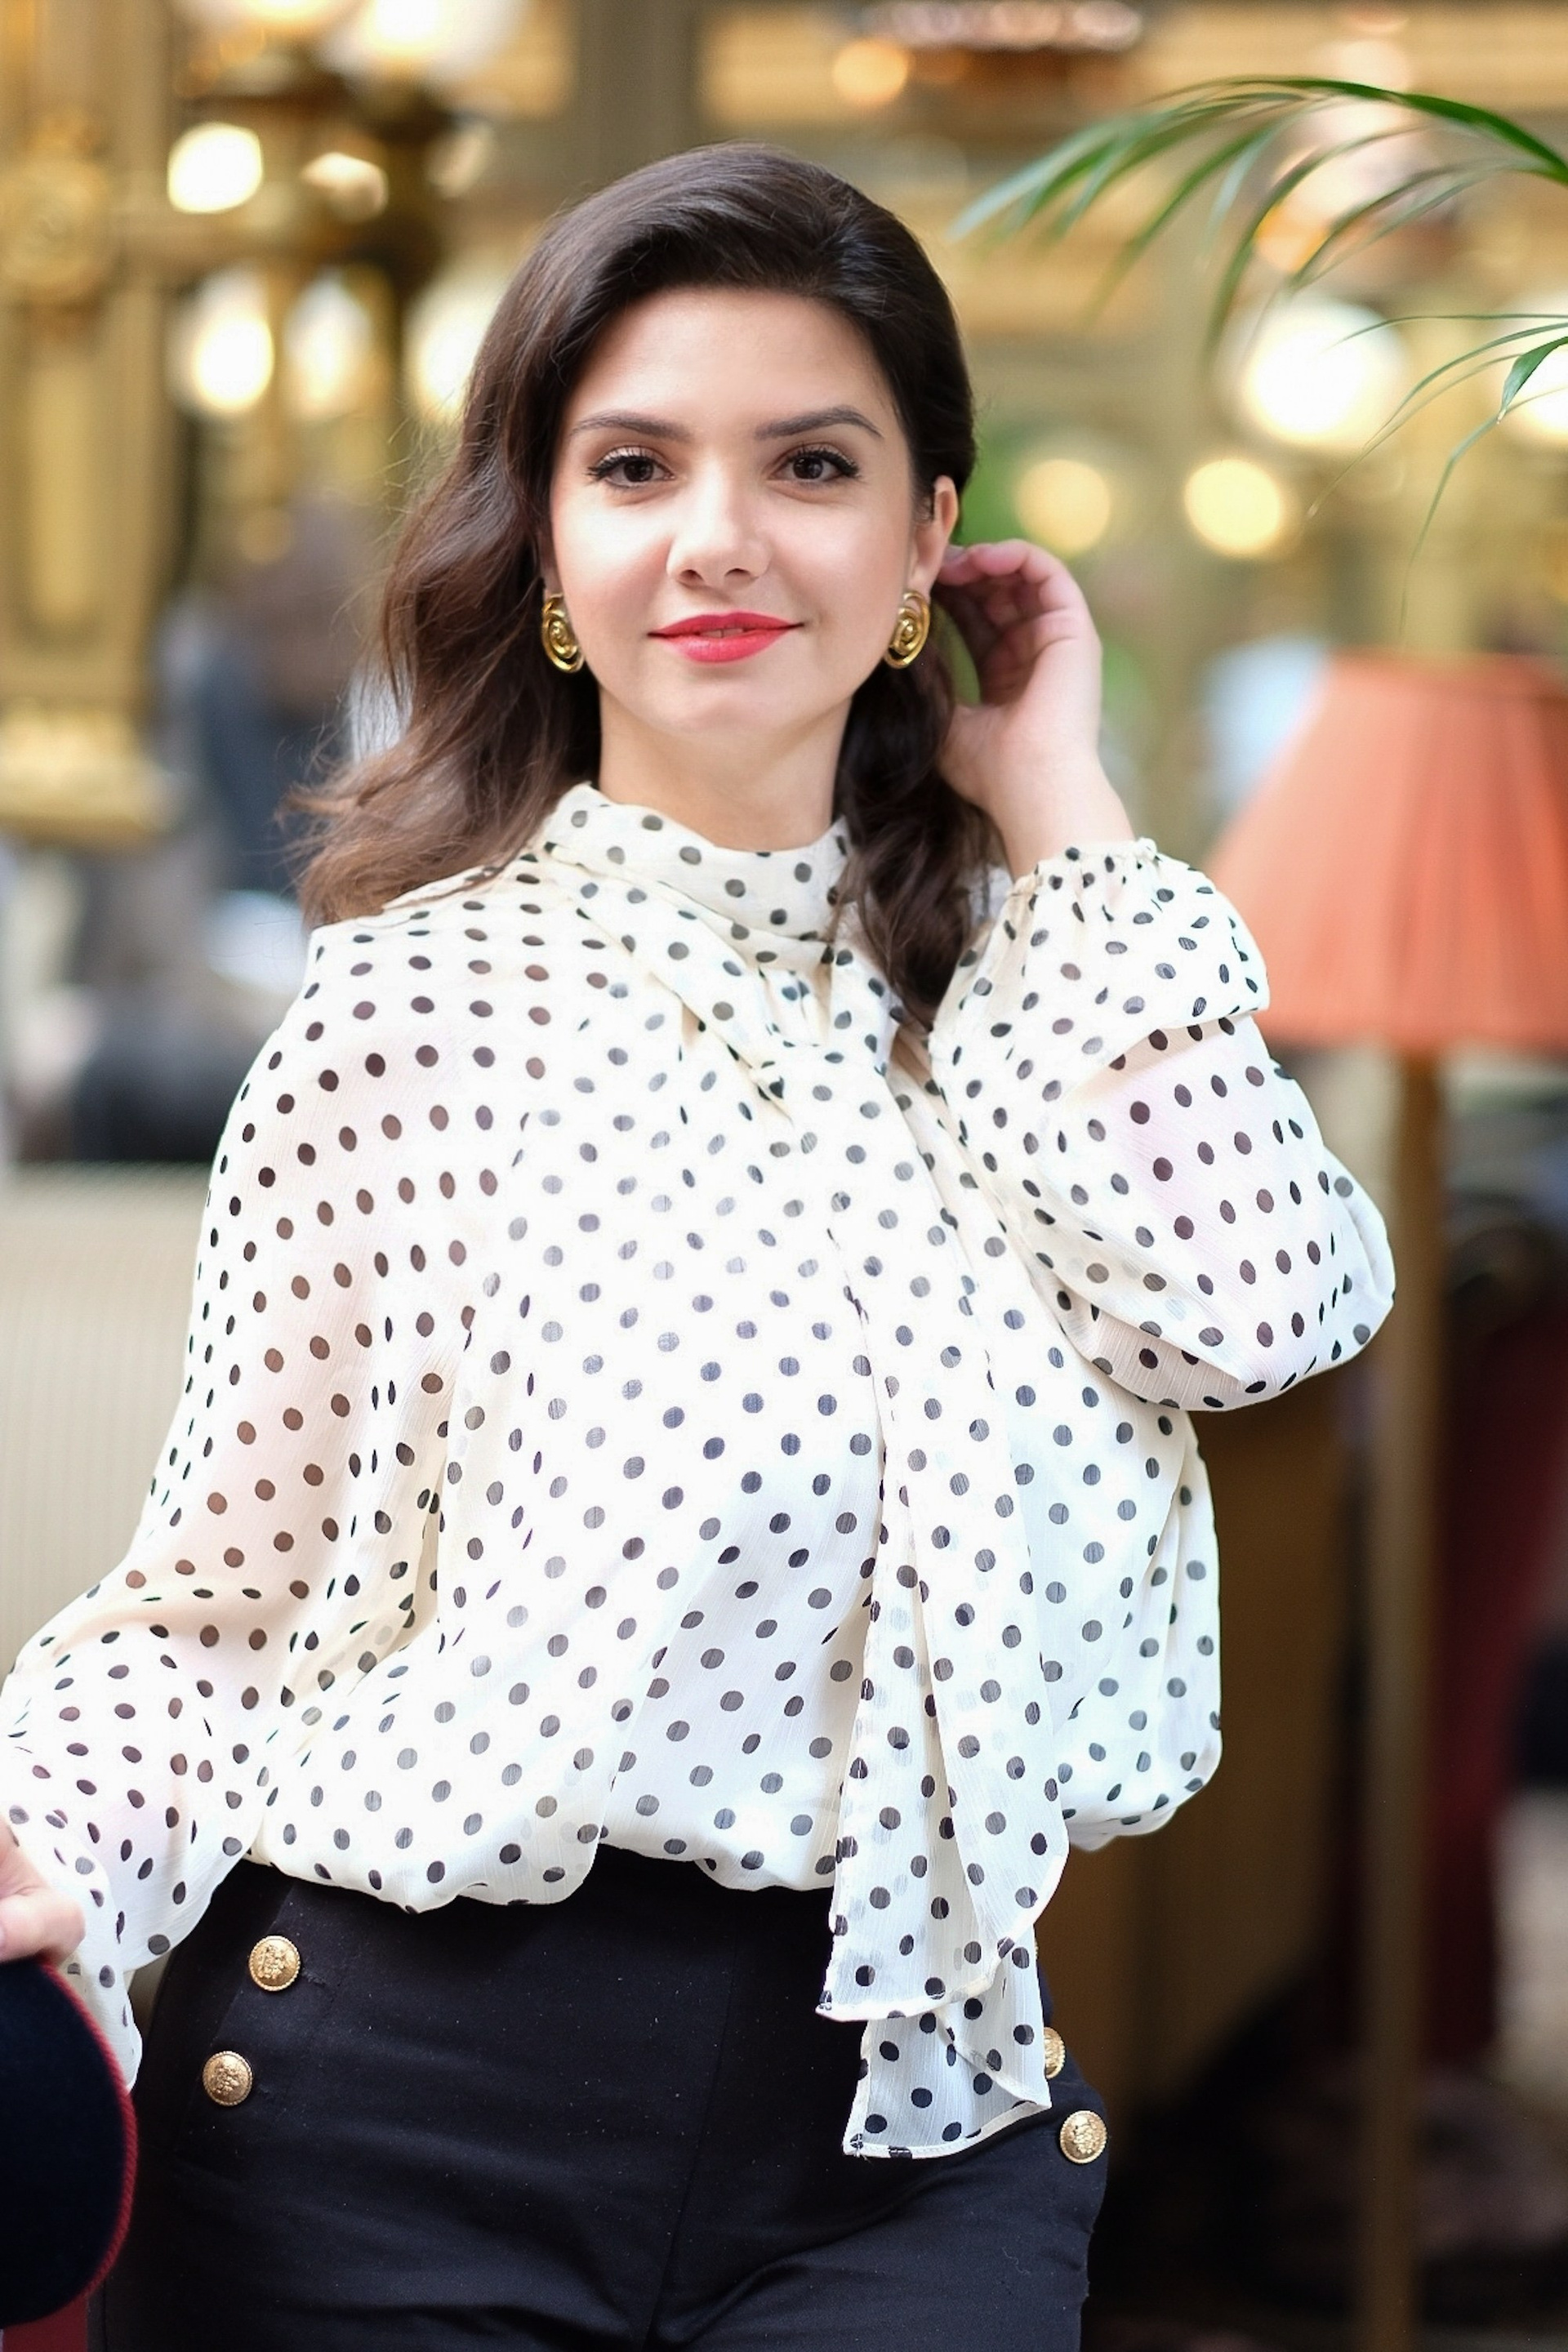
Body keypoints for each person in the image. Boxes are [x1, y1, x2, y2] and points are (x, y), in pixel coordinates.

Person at [0, 146, 1394, 2351]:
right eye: (636, 465)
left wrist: (1061, 802)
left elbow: (1259, 1310)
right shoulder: (414, 1016)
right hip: (389, 2145)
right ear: (551, 543)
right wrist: (41, 1859)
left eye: (812, 465)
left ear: (927, 538)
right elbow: (225, 1610)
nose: (720, 535)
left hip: (914, 2145)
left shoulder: (1036, 998)